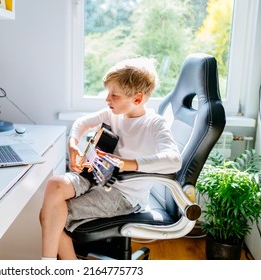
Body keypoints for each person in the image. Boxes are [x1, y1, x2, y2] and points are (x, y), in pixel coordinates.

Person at [39, 57, 182, 260]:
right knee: (55, 185)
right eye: (108, 93)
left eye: (114, 95)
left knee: (49, 215)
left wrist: (127, 164)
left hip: (124, 195)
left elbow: (174, 159)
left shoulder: (154, 124)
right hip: (97, 177)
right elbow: (81, 123)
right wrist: (73, 145)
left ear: (138, 99)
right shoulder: (112, 114)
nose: (108, 100)